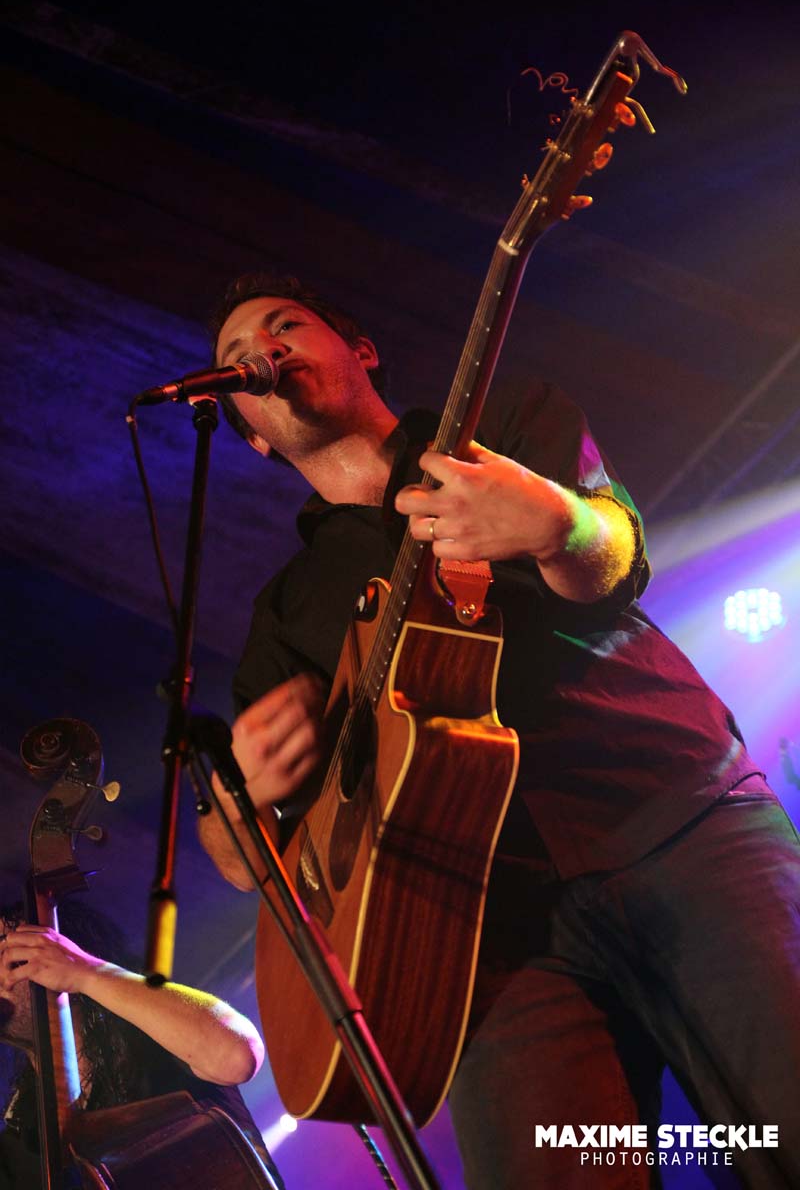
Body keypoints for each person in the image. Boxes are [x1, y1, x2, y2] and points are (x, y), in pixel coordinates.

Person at [198, 272, 800, 1189]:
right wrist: (247, 792)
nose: (263, 352)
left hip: (676, 824)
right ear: (249, 429)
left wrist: (558, 525)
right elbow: (243, 861)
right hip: (485, 942)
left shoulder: (497, 427)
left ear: (359, 350)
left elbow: (616, 559)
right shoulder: (285, 613)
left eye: (285, 326)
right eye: (238, 357)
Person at [0, 896, 285, 1189]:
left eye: (5, 949)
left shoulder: (152, 1028)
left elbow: (237, 1056)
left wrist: (85, 971)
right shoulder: (23, 1128)